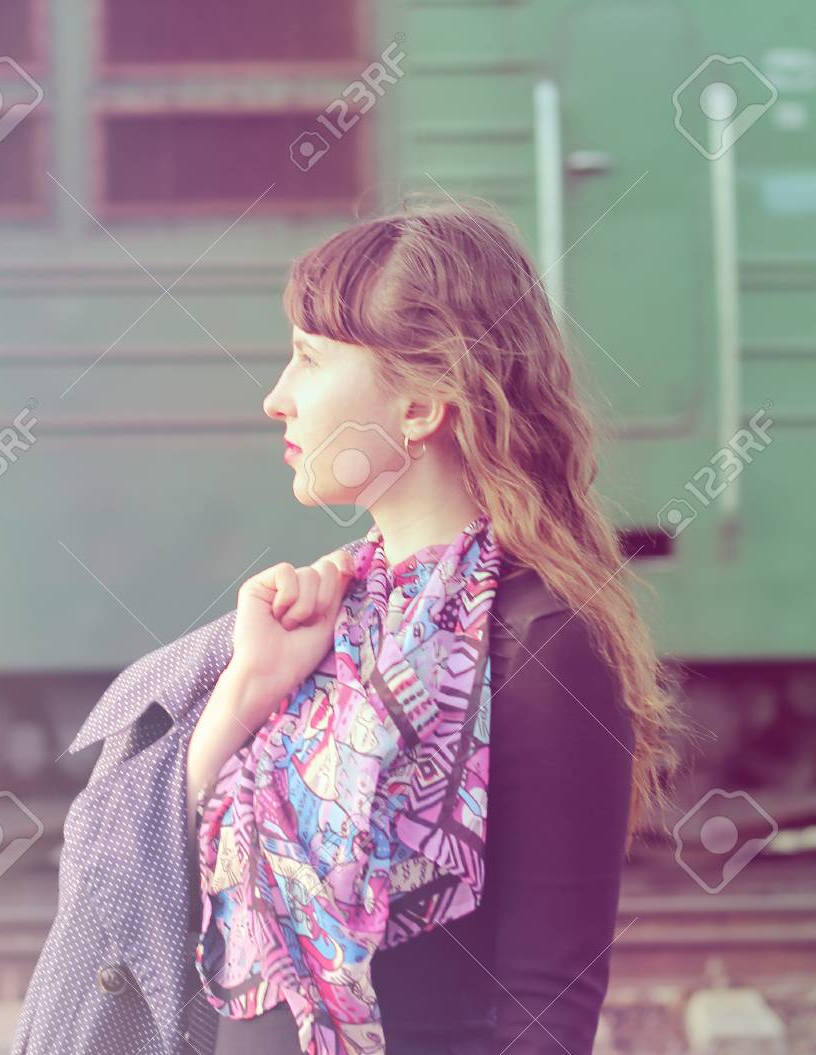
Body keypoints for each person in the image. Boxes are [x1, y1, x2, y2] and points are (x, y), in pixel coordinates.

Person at [182, 196, 688, 1054]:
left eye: (309, 360)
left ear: (420, 409)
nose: (277, 397)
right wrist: (244, 693)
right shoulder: (325, 612)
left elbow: (546, 1002)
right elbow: (177, 871)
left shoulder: (543, 638)